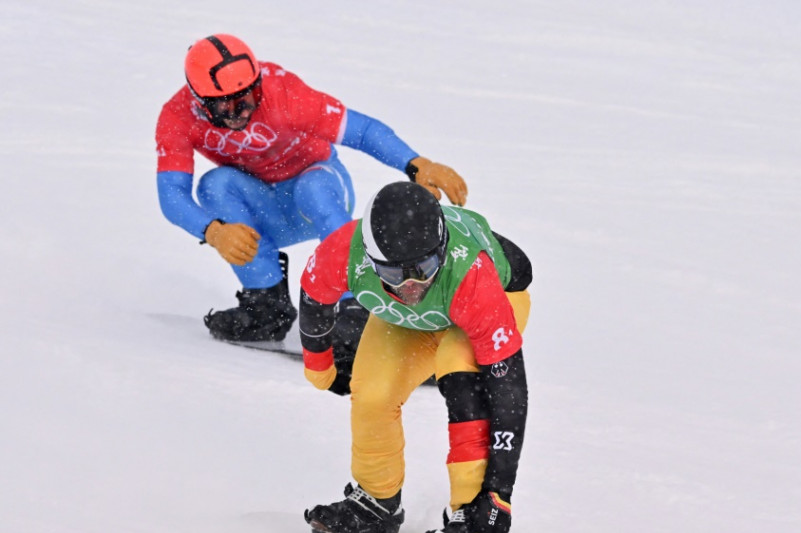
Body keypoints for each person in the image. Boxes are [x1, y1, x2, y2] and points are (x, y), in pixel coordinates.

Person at [155, 34, 468, 342]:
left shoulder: (282, 91)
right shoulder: (177, 116)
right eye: (226, 106)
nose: (242, 112)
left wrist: (415, 163)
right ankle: (266, 302)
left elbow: (360, 131)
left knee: (313, 187)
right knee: (214, 185)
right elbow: (171, 193)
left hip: (319, 189)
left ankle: (356, 305)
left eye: (248, 98)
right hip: (265, 211)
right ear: (199, 102)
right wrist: (213, 231)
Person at [297, 182, 533, 533]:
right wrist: (320, 370)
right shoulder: (342, 253)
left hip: (482, 301)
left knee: (463, 381)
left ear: (442, 248)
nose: (411, 286)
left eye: (423, 268)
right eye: (394, 274)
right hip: (413, 318)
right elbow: (314, 299)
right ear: (370, 261)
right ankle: (377, 502)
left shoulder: (472, 275)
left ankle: (472, 511)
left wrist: (498, 493)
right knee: (373, 394)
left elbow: (507, 393)